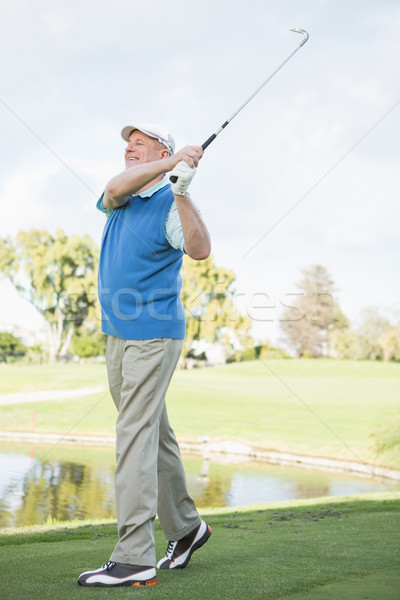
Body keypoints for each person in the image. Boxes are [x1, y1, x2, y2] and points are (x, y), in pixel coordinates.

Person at [78, 124, 212, 588]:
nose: (129, 147)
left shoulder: (169, 204)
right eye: (127, 142)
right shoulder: (120, 198)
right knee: (153, 434)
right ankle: (187, 527)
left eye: (141, 141)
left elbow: (199, 248)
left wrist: (181, 191)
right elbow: (114, 186)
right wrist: (172, 165)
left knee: (132, 435)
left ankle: (134, 556)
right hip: (118, 334)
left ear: (164, 149)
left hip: (154, 335)